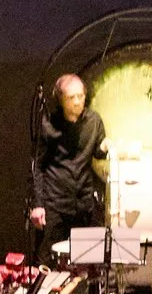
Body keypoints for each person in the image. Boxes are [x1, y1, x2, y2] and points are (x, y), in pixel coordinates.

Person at [28, 73, 108, 246]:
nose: (78, 101)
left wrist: (104, 147)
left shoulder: (94, 122)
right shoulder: (48, 124)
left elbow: (98, 153)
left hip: (83, 205)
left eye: (81, 96)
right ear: (60, 99)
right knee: (47, 263)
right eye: (72, 97)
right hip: (54, 205)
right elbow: (38, 166)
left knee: (85, 262)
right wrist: (38, 204)